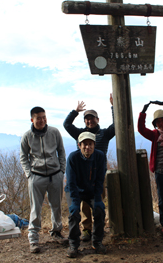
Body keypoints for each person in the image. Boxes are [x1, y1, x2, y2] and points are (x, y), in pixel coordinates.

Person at [63, 94, 115, 242]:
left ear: (97, 120)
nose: (90, 121)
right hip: (81, 175)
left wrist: (113, 106)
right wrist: (75, 111)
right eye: (87, 119)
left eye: (92, 118)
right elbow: (66, 125)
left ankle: (98, 231)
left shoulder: (104, 133)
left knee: (98, 202)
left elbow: (117, 125)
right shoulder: (80, 134)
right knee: (84, 206)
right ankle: (87, 230)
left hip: (98, 174)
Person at [20, 106, 67, 253]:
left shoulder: (54, 132)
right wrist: (29, 175)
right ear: (32, 119)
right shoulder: (27, 136)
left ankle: (56, 232)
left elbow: (61, 151)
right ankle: (33, 239)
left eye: (44, 117)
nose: (42, 120)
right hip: (36, 176)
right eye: (39, 118)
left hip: (55, 175)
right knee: (36, 209)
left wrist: (62, 171)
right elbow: (23, 157)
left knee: (56, 206)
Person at [137, 100, 163, 235]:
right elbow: (141, 129)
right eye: (158, 121)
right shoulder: (154, 135)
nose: (161, 123)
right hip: (161, 171)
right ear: (155, 124)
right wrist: (143, 112)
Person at [65, 132, 107, 258]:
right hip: (75, 190)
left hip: (92, 190)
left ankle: (97, 241)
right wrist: (75, 202)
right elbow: (71, 182)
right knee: (74, 214)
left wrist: (98, 198)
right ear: (79, 145)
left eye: (90, 144)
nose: (87, 147)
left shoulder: (100, 157)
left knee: (99, 210)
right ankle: (73, 244)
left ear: (94, 145)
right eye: (84, 144)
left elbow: (100, 180)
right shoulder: (73, 158)